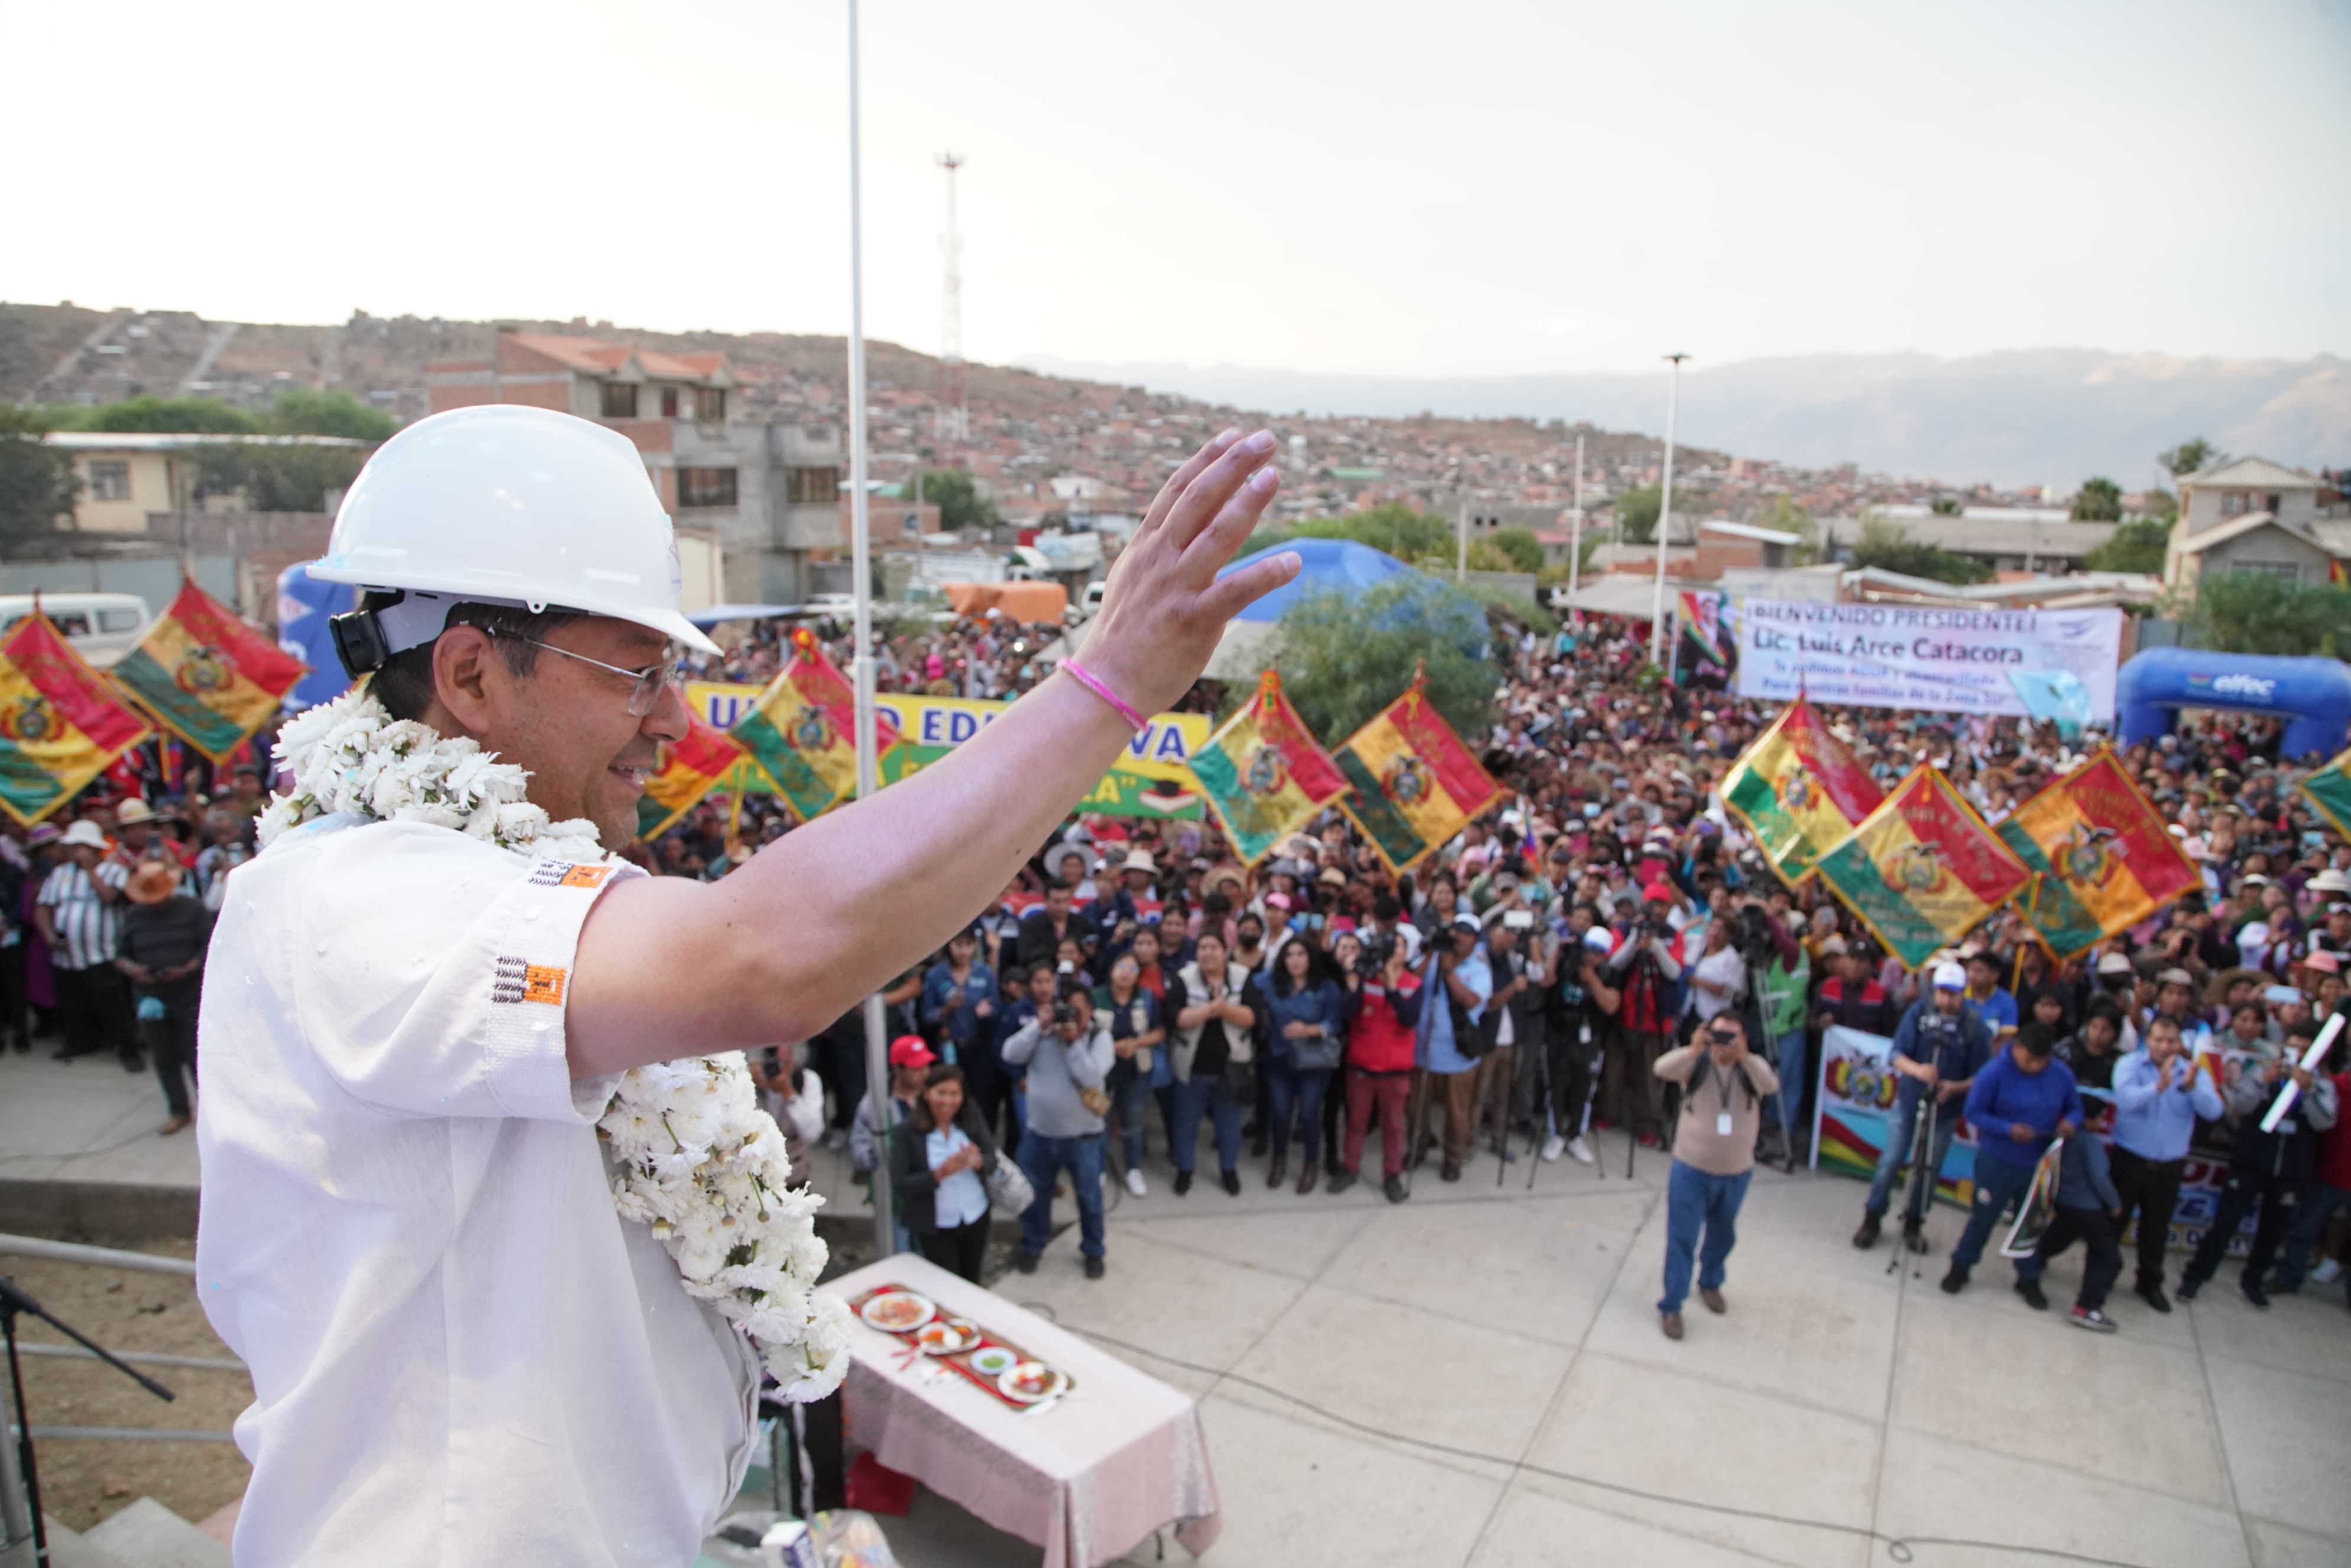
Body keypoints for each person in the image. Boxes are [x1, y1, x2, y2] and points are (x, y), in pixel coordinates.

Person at [193, 406, 1297, 1560]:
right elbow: (769, 954)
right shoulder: (353, 899)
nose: (673, 722)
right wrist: (1104, 686)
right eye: (637, 675)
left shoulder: (474, 876)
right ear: (471, 673)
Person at [2178, 1018, 2339, 1310]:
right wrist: (2265, 1080)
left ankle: (2252, 1282)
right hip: (2250, 1163)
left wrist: (2308, 1090)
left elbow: (2324, 1123)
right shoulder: (2260, 1070)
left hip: (2290, 1172)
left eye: (2306, 1050)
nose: (2298, 1056)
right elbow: (2240, 1105)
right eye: (2293, 1049)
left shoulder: (2323, 1085)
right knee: (2225, 1223)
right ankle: (2196, 1276)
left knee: (2272, 1233)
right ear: (2283, 1048)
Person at [1653, 1012, 1779, 1340]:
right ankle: (1672, 1305)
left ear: (1745, 1039)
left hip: (1735, 1173)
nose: (1724, 1044)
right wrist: (1694, 1049)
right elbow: (1661, 1068)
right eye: (1719, 1035)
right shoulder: (1696, 1064)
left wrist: (1745, 1057)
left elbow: (1771, 1084)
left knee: (1723, 1235)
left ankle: (1710, 1282)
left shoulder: (1751, 1069)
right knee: (1682, 1239)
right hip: (1690, 1169)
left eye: (1731, 1036)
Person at [1854, 963, 1992, 1253]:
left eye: (1953, 994)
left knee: (1929, 1168)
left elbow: (1982, 1074)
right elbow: (1896, 1055)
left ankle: (1915, 1221)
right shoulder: (1919, 1013)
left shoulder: (1973, 1025)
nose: (1947, 1000)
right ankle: (1873, 1216)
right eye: (1942, 993)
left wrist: (1956, 1087)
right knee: (1891, 1160)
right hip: (1910, 1101)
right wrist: (1918, 1070)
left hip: (1946, 1109)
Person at [1941, 1025, 2086, 1298]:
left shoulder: (2061, 1075)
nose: (2035, 1066)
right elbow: (1973, 1112)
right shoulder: (1994, 1072)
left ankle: (2027, 1277)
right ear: (2018, 1048)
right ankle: (1961, 1266)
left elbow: (2076, 1108)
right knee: (1983, 1218)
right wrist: (2007, 1129)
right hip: (1998, 1160)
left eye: (2041, 1061)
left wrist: (2070, 1123)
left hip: (2039, 1163)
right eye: (2030, 1059)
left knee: (2032, 1223)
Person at [2107, 1014, 2224, 1313]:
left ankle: (2149, 1283)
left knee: (2156, 1229)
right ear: (2148, 1040)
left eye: (2171, 1041)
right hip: (2129, 1160)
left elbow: (2214, 1111)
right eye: (2158, 1039)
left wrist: (2192, 1088)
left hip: (2169, 1166)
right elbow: (2126, 1100)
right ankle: (2101, 1277)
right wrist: (2159, 1086)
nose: (2164, 1046)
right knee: (2113, 1223)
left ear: (2180, 1043)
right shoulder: (2130, 1064)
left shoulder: (2193, 1072)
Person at [1003, 990, 1116, 1278]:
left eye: (1076, 1010)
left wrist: (1073, 1041)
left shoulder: (1099, 1038)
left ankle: (1094, 1251)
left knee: (1090, 1199)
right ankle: (1033, 1246)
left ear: (1090, 1010)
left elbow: (1091, 1077)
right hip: (1039, 1135)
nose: (1069, 1016)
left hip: (1084, 1138)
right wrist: (1037, 1027)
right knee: (1035, 1197)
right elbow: (1009, 1054)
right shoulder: (1041, 1033)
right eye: (1064, 1009)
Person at [116, 857, 212, 1135]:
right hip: (152, 997)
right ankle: (178, 1110)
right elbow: (120, 956)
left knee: (196, 1055)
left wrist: (187, 969)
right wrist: (136, 971)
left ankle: (210, 1113)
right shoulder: (133, 916)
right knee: (163, 1056)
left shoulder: (192, 909)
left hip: (189, 993)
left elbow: (209, 946)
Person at [37, 819, 138, 1072]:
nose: (75, 852)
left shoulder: (114, 871)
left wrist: (89, 870)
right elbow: (44, 906)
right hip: (66, 957)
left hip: (101, 955)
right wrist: (50, 936)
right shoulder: (60, 874)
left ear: (94, 849)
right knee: (73, 1004)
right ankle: (81, 1042)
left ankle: (127, 1048)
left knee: (112, 1005)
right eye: (72, 847)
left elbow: (108, 898)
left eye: (80, 846)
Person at [2016, 1101, 2126, 1331]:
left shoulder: (2061, 1137)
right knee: (2109, 1258)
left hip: (2063, 1201)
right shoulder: (2090, 1142)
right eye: (2099, 1118)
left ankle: (2030, 1269)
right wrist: (2115, 1203)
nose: (2102, 1122)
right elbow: (2100, 1177)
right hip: (2088, 1208)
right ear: (2087, 1120)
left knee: (2059, 1236)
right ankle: (2087, 1308)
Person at [1167, 930, 1261, 1196]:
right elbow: (1176, 1017)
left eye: (1214, 947)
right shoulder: (1184, 978)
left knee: (1229, 1125)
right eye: (1203, 948)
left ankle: (1228, 1170)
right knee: (1186, 1124)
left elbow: (1251, 1017)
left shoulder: (1242, 976)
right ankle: (1185, 1170)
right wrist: (1209, 1011)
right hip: (1191, 1066)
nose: (1208, 953)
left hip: (1232, 1067)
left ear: (1225, 951)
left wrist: (1224, 1009)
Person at [1333, 928, 1423, 1201]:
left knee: (1393, 1127)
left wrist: (1392, 988)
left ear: (1406, 953)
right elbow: (1348, 1012)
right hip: (1362, 1066)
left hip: (1395, 1070)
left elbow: (1409, 1019)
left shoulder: (1413, 984)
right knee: (1356, 1123)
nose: (1392, 951)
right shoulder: (1365, 977)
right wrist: (1355, 980)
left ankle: (1392, 1175)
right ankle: (1349, 1168)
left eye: (1398, 946)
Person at [889, 1063, 999, 1284]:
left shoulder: (971, 1119)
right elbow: (901, 1184)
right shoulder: (907, 1132)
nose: (948, 1101)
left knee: (972, 1280)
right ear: (926, 1093)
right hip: (937, 1225)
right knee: (946, 1284)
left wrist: (976, 1161)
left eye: (954, 1094)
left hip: (975, 1215)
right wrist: (940, 1174)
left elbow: (992, 1160)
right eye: (941, 1093)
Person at [1413, 913, 1494, 1181]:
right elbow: (1410, 983)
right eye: (1456, 931)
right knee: (1416, 1108)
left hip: (1457, 1057)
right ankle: (1419, 1146)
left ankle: (1453, 1159)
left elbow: (1471, 1001)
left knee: (1457, 1113)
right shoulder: (1434, 959)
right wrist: (1429, 956)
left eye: (1467, 933)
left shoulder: (1479, 970)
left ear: (1475, 940)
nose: (1459, 937)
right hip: (1422, 1052)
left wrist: (1448, 972)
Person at [1262, 934, 1345, 1193]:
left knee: (1309, 1114)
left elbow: (1336, 1023)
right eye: (1289, 955)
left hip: (1313, 1062)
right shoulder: (1272, 983)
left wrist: (1311, 1029)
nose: (1295, 960)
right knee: (1280, 1112)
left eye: (1301, 954)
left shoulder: (1326, 987)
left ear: (1310, 958)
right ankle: (1279, 1160)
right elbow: (1248, 984)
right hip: (1279, 1058)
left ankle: (1311, 1164)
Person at [1540, 923, 1620, 1164]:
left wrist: (1592, 979)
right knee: (1556, 1085)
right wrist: (1558, 950)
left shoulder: (1608, 972)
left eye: (1598, 952)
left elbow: (1611, 1005)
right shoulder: (1566, 961)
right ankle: (1556, 1135)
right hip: (1559, 1032)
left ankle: (1576, 1135)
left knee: (1583, 1089)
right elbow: (1546, 980)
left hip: (1588, 1038)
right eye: (1589, 949)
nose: (1591, 956)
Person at [1093, 951, 1164, 1197]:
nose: (1126, 972)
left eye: (1133, 969)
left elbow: (1160, 1032)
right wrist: (1112, 1047)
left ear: (1139, 976)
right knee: (1099, 1123)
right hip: (1100, 1075)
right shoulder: (1095, 996)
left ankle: (1133, 1170)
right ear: (1112, 970)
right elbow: (1084, 1031)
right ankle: (1099, 1170)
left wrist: (1137, 1043)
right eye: (1121, 966)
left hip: (1136, 1072)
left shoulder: (1147, 998)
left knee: (1133, 1123)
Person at [918, 926, 997, 1067]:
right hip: (947, 1042)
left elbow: (997, 1007)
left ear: (975, 946)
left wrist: (987, 1010)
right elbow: (927, 1015)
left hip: (979, 1044)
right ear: (949, 945)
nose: (963, 951)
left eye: (968, 945)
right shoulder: (935, 975)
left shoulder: (985, 973)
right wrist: (947, 1009)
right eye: (958, 945)